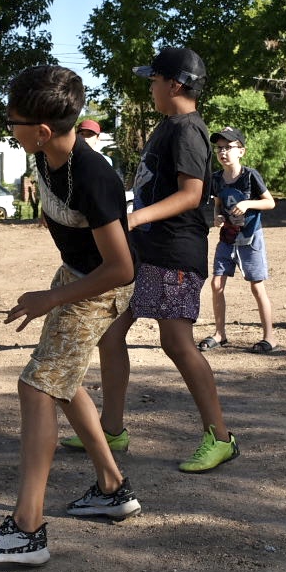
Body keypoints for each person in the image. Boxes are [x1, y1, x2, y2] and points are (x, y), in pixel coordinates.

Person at [0, 66, 137, 565]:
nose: (7, 127)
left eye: (13, 121)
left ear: (41, 131)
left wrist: (50, 299)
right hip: (75, 277)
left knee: (36, 387)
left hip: (100, 290)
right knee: (60, 379)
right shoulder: (48, 157)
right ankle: (112, 487)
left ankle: (26, 531)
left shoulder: (94, 176)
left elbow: (121, 269)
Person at [63, 46, 239, 473]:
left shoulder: (188, 131)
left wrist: (135, 216)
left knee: (176, 343)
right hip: (148, 251)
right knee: (110, 334)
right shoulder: (169, 127)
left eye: (155, 79)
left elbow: (192, 194)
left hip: (175, 252)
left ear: (175, 84)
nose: (151, 86)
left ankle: (220, 437)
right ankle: (112, 429)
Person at [198, 127, 277, 354]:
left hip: (250, 238)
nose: (223, 152)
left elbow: (270, 203)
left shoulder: (250, 176)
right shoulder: (215, 179)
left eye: (229, 148)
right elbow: (218, 205)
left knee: (256, 286)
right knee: (216, 284)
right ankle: (220, 333)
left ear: (241, 151)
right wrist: (217, 217)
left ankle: (269, 337)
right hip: (227, 239)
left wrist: (247, 204)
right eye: (219, 148)